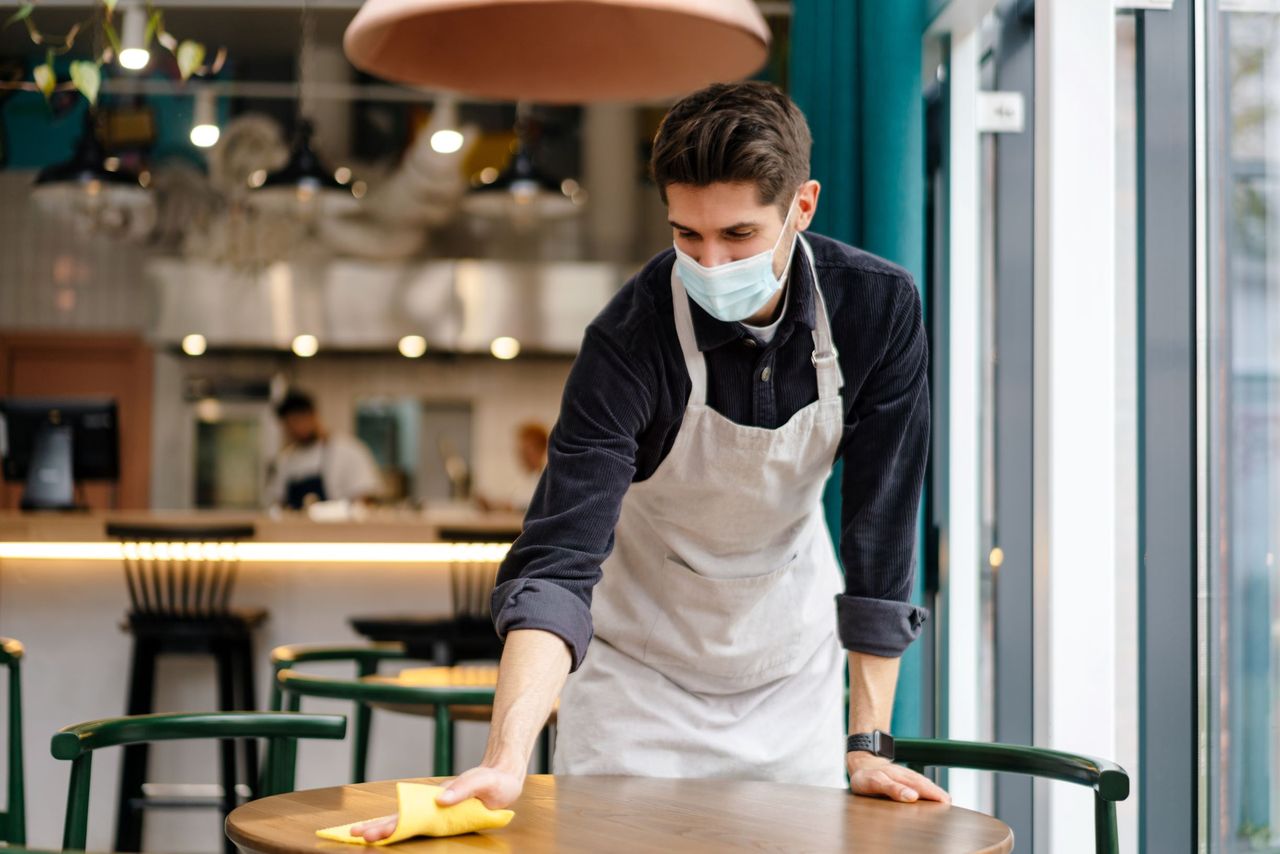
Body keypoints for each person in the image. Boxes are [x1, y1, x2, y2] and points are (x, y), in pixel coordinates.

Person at [356, 80, 944, 840]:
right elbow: (556, 564)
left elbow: (881, 529)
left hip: (786, 678)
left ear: (802, 206)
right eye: (687, 237)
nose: (710, 263)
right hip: (639, 686)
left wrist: (866, 744)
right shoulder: (628, 341)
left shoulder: (877, 310)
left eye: (737, 236)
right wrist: (507, 759)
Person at [265, 390, 383, 510]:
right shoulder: (286, 460)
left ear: (313, 416)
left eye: (297, 421)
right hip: (296, 528)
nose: (294, 429)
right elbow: (278, 502)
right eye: (288, 425)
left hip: (339, 527)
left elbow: (365, 497)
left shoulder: (348, 450)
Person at [475, 422, 549, 513]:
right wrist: (492, 505)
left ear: (541, 448)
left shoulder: (548, 478)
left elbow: (526, 507)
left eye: (525, 451)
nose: (521, 457)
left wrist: (494, 505)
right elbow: (515, 503)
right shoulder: (528, 479)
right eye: (520, 452)